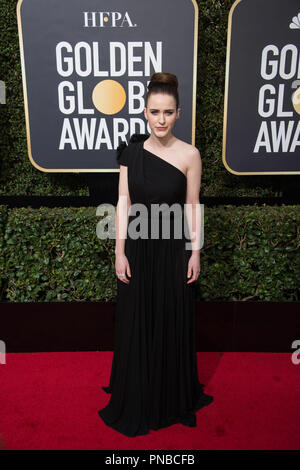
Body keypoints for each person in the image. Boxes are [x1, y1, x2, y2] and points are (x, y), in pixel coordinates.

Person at [98, 72, 213, 437]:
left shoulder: (190, 154)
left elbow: (193, 206)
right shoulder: (131, 153)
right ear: (144, 113)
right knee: (136, 319)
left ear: (178, 113)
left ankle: (168, 394)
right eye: (154, 111)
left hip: (172, 249)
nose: (160, 119)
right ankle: (137, 389)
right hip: (138, 246)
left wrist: (195, 252)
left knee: (169, 318)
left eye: (167, 112)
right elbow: (123, 201)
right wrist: (119, 251)